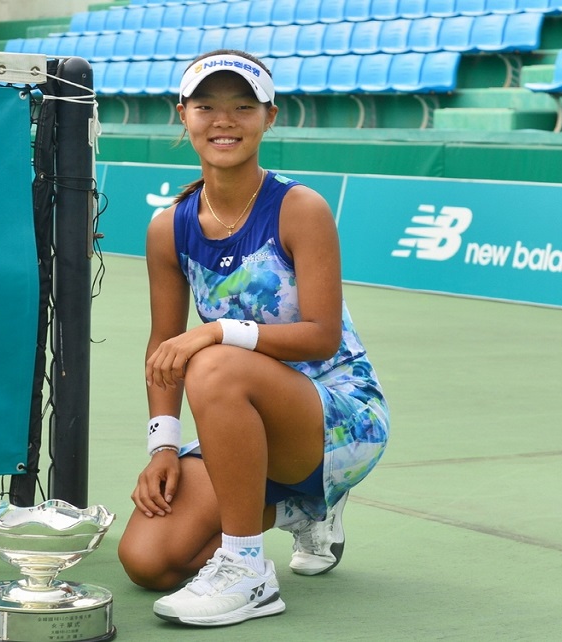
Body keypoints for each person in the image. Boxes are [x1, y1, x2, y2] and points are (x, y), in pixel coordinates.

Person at [116, 49, 390, 628]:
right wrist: (163, 445)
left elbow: (319, 337)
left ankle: (248, 572)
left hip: (336, 415)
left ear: (269, 117)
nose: (224, 120)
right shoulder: (169, 227)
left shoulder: (300, 208)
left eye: (243, 106)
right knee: (148, 561)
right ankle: (302, 509)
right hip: (244, 418)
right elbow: (163, 344)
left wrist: (216, 330)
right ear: (182, 115)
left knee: (213, 364)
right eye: (207, 106)